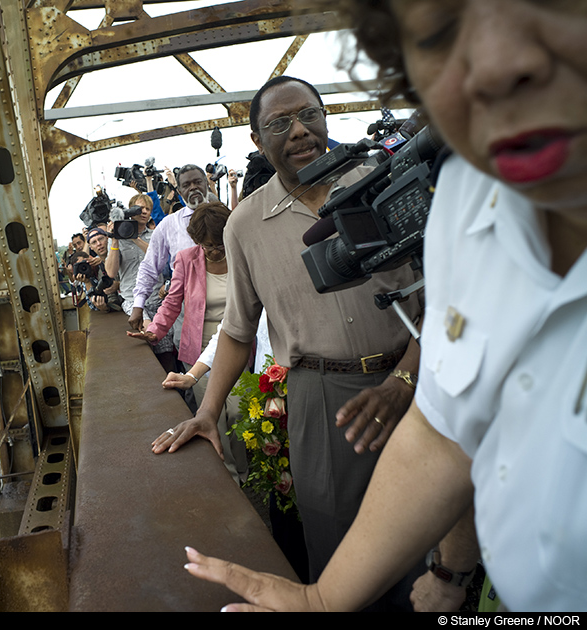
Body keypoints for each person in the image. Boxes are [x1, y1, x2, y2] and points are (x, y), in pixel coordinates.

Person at [182, 0, 587, 612]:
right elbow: (448, 435)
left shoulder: (399, 182)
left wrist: (406, 377)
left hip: (400, 369)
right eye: (440, 37)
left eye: (551, 8)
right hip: (323, 402)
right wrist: (334, 597)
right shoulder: (465, 196)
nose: (493, 66)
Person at [152, 75, 424, 609]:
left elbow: (446, 302)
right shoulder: (247, 225)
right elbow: (236, 331)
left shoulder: (386, 187)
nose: (299, 130)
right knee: (336, 547)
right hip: (321, 401)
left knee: (426, 541)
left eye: (311, 115)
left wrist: (404, 380)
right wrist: (207, 411)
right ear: (258, 140)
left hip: (415, 381)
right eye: (280, 123)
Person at [128, 202, 247, 483]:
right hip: (199, 346)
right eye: (208, 246)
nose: (216, 251)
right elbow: (172, 301)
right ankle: (228, 476)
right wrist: (155, 330)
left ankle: (244, 470)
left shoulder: (242, 255)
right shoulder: (186, 259)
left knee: (239, 410)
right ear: (198, 242)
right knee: (213, 414)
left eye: (220, 244)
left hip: (240, 344)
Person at [128, 164, 219, 336]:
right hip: (187, 317)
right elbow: (149, 266)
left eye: (197, 182)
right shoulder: (169, 225)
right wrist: (138, 304)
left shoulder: (224, 218)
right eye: (186, 185)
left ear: (206, 184)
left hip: (226, 311)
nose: (193, 187)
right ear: (179, 189)